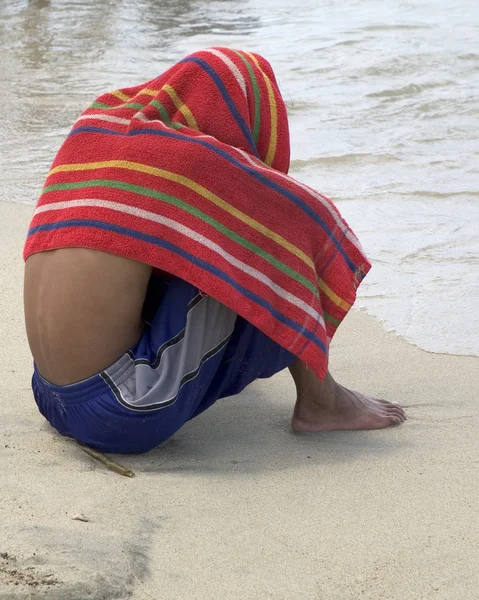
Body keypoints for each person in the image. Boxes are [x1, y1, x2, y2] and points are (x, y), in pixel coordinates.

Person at [24, 48, 405, 454]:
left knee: (202, 241)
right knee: (266, 244)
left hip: (49, 395)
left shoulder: (97, 130)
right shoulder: (190, 160)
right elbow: (313, 226)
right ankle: (322, 401)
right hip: (125, 412)